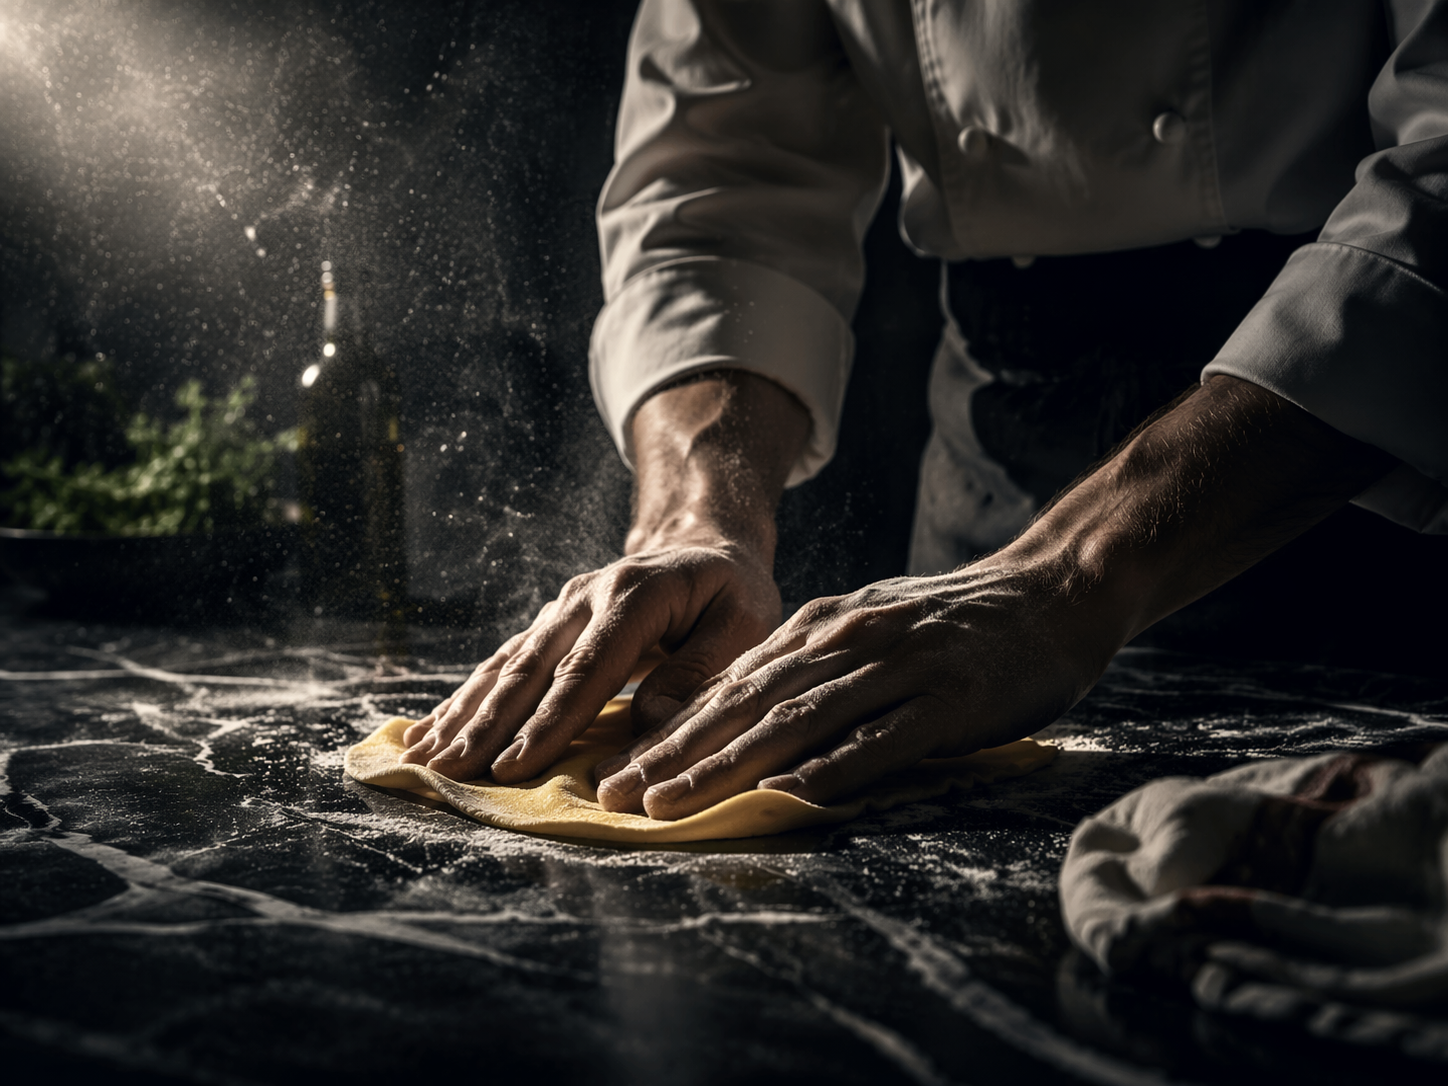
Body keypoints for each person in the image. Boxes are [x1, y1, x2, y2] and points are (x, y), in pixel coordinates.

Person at [401, 1, 1448, 819]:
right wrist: (696, 511)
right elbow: (721, 188)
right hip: (993, 464)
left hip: (1344, 461)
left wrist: (1067, 579)